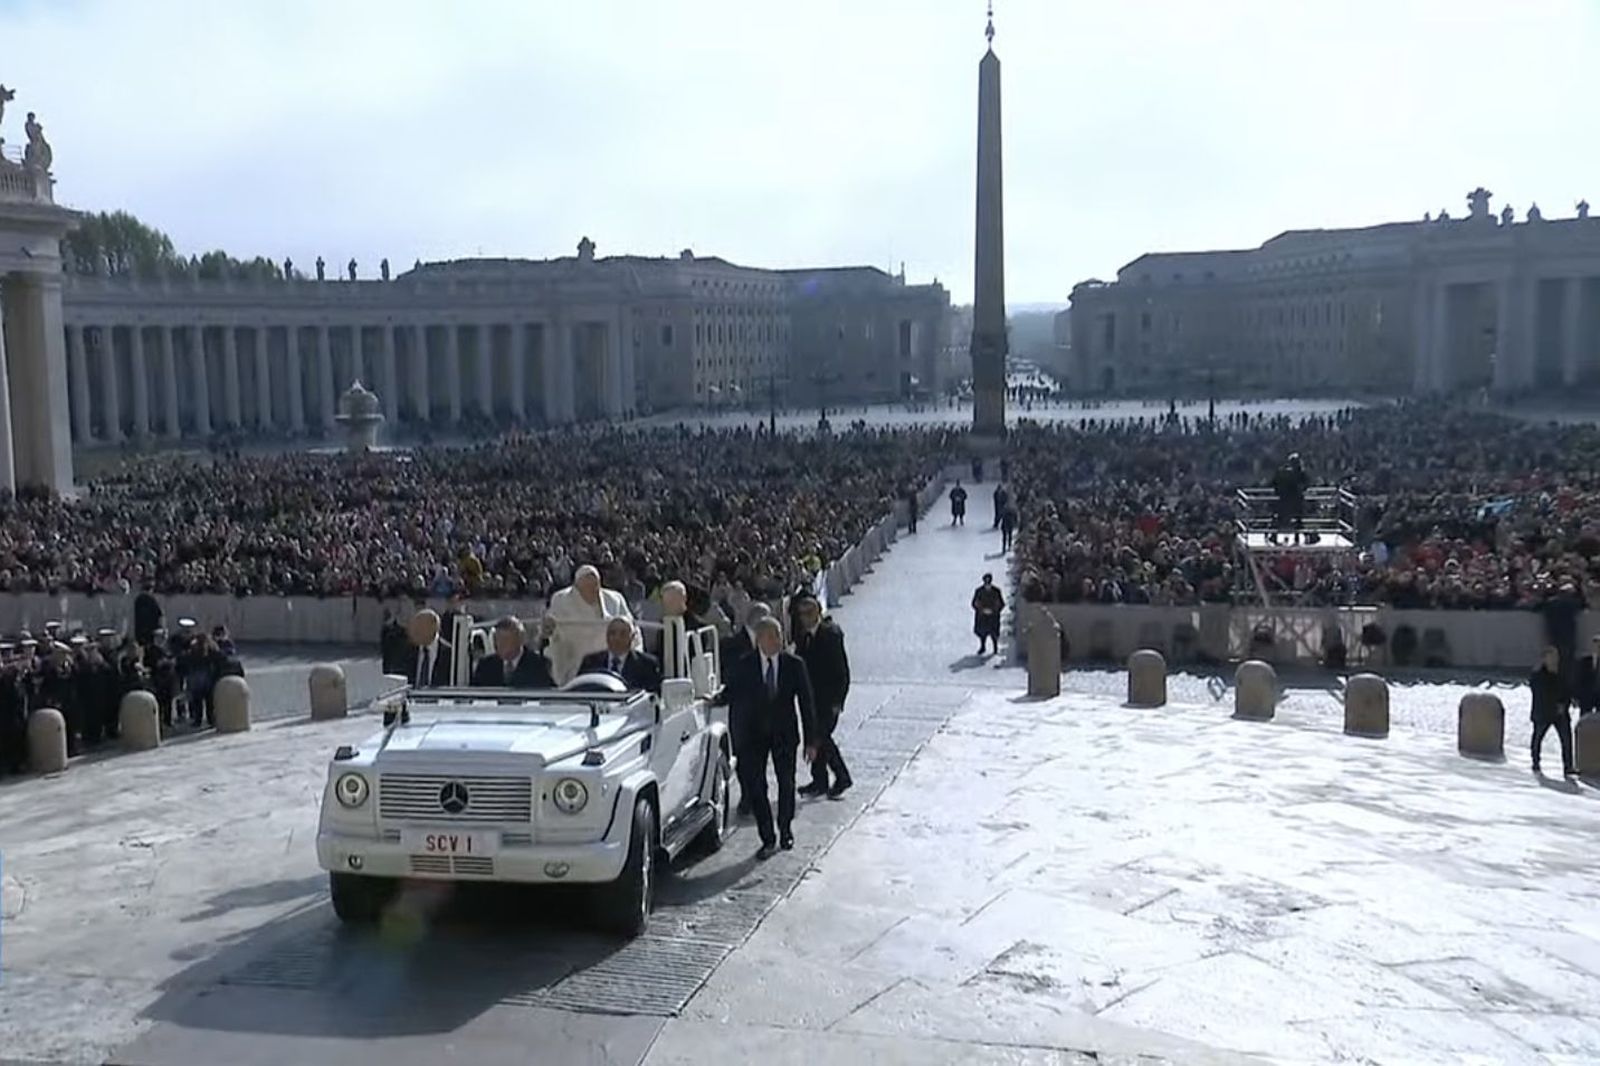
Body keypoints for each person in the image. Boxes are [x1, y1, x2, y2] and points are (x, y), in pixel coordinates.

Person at [719, 616, 816, 859]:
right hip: (753, 736)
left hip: (784, 733)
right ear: (759, 640)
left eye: (778, 636)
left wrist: (812, 740)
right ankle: (767, 837)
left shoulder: (794, 664)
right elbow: (731, 696)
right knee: (756, 786)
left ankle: (785, 829)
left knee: (786, 783)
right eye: (770, 636)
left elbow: (806, 703)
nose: (776, 641)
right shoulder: (744, 665)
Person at [792, 594, 852, 799]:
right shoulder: (803, 636)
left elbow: (842, 671)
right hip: (811, 697)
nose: (804, 618)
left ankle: (842, 776)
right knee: (813, 735)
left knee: (822, 738)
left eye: (808, 613)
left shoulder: (830, 635)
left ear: (817, 613)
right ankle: (819, 780)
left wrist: (839, 700)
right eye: (801, 615)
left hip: (828, 698)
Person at [545, 565, 638, 684]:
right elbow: (549, 627)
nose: (592, 590)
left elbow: (631, 626)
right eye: (587, 587)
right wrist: (548, 628)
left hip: (608, 660)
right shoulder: (561, 600)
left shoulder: (615, 599)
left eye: (595, 586)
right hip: (573, 661)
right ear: (577, 587)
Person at [579, 617, 662, 693]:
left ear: (632, 637)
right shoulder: (591, 662)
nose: (617, 638)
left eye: (623, 634)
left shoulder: (647, 664)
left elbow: (653, 695)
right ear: (607, 636)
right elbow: (580, 690)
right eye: (612, 633)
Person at [470, 616, 553, 688]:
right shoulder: (485, 666)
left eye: (505, 639)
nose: (500, 644)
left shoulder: (539, 665)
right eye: (497, 639)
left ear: (520, 639)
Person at [1530, 645, 1576, 777]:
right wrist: (1554, 705)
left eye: (1556, 656)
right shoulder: (1538, 675)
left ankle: (1568, 766)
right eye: (1551, 657)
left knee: (1566, 740)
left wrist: (1564, 704)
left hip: (1561, 713)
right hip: (1544, 712)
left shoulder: (1562, 673)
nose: (1554, 659)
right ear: (1544, 659)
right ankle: (1536, 762)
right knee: (1538, 737)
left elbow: (1567, 690)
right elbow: (1541, 694)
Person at [972, 572, 1004, 656]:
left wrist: (994, 610)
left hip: (993, 617)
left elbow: (1001, 603)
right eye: (986, 582)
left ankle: (995, 647)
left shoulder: (996, 591)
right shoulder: (978, 591)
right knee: (982, 633)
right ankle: (982, 647)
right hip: (982, 616)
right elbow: (974, 603)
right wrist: (981, 610)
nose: (987, 584)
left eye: (988, 582)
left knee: (994, 633)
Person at [1576, 635, 1600, 717]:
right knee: (1585, 720)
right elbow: (1579, 679)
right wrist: (1577, 696)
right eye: (1596, 645)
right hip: (1587, 696)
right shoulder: (1584, 662)